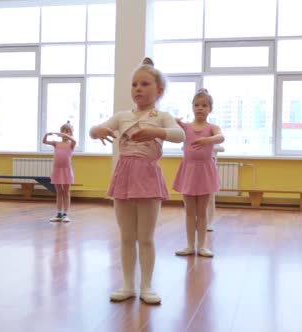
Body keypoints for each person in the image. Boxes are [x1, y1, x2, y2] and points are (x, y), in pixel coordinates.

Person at [89, 57, 185, 305]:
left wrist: (156, 132)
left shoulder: (161, 116)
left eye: (144, 84)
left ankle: (147, 286)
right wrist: (98, 131)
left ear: (159, 90)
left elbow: (180, 134)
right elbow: (95, 129)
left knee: (146, 237)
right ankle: (128, 284)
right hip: (124, 177)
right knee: (126, 236)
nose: (138, 89)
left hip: (149, 177)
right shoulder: (122, 116)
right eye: (134, 84)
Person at [173, 88, 224, 257]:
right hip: (188, 171)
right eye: (197, 105)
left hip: (205, 172)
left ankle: (201, 246)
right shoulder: (186, 127)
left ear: (210, 109)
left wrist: (207, 140)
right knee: (189, 211)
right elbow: (172, 126)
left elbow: (221, 137)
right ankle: (189, 245)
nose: (200, 108)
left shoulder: (212, 127)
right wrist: (175, 121)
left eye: (204, 105)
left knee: (201, 212)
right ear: (192, 107)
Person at [42, 121, 76, 223]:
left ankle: (65, 214)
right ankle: (59, 213)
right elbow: (44, 141)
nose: (64, 133)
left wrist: (67, 135)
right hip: (57, 170)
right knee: (59, 193)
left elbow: (75, 141)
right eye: (62, 131)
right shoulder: (56, 143)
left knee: (66, 192)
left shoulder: (71, 144)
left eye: (67, 131)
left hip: (66, 171)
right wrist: (47, 134)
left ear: (70, 133)